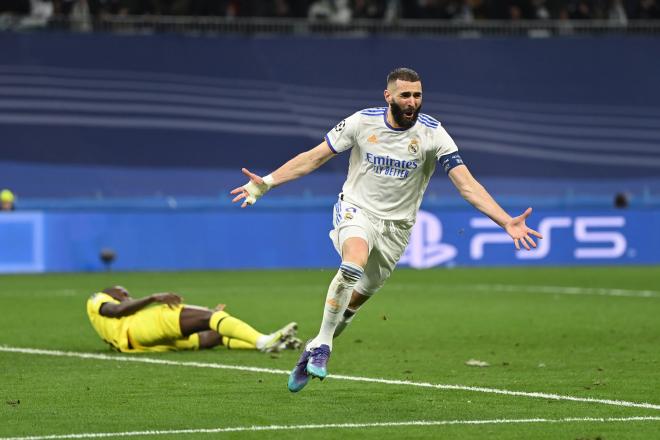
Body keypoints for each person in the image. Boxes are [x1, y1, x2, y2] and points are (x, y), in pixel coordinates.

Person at [230, 67, 543, 392]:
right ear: (389, 96)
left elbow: (466, 184)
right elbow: (314, 158)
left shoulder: (434, 133)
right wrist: (266, 183)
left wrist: (505, 220)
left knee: (351, 306)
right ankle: (323, 345)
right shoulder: (361, 122)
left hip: (397, 229)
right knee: (353, 262)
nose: (412, 102)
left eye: (417, 95)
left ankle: (313, 346)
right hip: (356, 211)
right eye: (405, 95)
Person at [86, 285, 301, 353]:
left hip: (139, 343)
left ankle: (276, 344)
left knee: (215, 335)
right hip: (138, 328)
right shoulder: (98, 299)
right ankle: (263, 341)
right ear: (112, 292)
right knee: (212, 317)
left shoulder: (111, 324)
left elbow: (120, 309)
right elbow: (117, 311)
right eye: (124, 294)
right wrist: (153, 298)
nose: (128, 297)